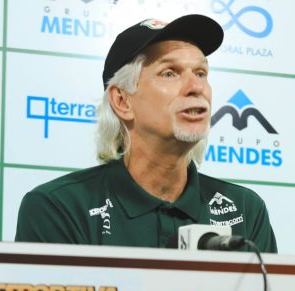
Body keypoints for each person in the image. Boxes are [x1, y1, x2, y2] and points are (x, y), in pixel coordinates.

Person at [14, 15, 277, 253]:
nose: (196, 87)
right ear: (122, 101)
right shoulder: (59, 207)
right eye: (170, 73)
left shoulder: (245, 209)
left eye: (201, 72)